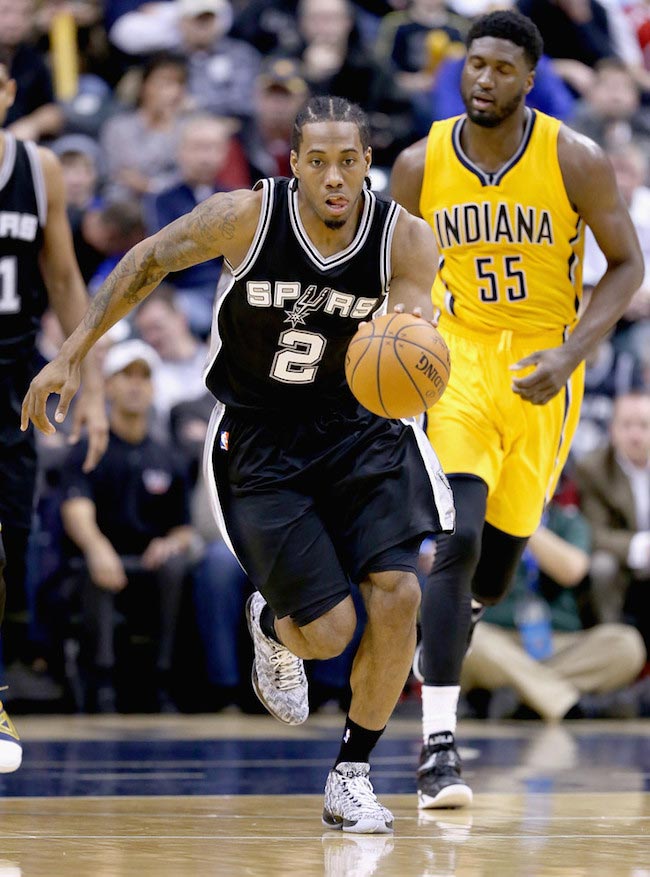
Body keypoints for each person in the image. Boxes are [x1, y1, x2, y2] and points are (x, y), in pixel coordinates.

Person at [21, 95, 455, 833]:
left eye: (349, 160)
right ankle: (272, 622)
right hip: (260, 437)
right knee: (327, 631)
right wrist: (72, 352)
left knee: (400, 594)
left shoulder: (404, 240)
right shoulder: (245, 218)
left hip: (361, 428)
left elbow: (414, 325)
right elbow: (149, 258)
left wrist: (413, 335)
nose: (335, 177)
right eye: (318, 161)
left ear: (367, 164)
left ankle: (352, 771)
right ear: (295, 165)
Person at [390, 9, 644, 810]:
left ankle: (456, 616)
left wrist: (573, 354)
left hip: (544, 368)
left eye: (501, 68)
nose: (483, 79)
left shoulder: (576, 158)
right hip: (458, 361)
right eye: (475, 64)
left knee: (493, 567)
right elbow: (393, 273)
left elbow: (627, 265)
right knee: (454, 534)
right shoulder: (416, 162)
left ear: (530, 79)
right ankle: (438, 748)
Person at [0, 60, 108, 774]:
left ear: (8, 92)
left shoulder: (39, 170)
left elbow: (66, 279)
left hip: (13, 380)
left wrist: (91, 383)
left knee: (12, 543)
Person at [58, 339, 196, 713]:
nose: (136, 384)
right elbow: (75, 506)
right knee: (98, 568)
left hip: (147, 563)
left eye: (144, 376)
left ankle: (162, 681)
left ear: (153, 388)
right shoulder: (89, 448)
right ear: (109, 385)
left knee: (176, 566)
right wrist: (96, 546)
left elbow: (184, 526)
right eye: (126, 375)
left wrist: (172, 543)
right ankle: (101, 684)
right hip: (93, 562)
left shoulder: (168, 455)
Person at [460, 494, 646, 721]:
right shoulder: (481, 517)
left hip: (559, 643)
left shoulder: (569, 521)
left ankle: (525, 698)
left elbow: (572, 570)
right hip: (499, 640)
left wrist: (525, 523)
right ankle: (567, 703)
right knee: (464, 640)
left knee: (627, 644)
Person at [574, 391, 650, 653]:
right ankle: (612, 650)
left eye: (644, 425)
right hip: (620, 561)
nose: (636, 435)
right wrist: (640, 547)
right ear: (612, 430)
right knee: (601, 567)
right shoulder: (593, 469)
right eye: (627, 425)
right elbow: (594, 532)